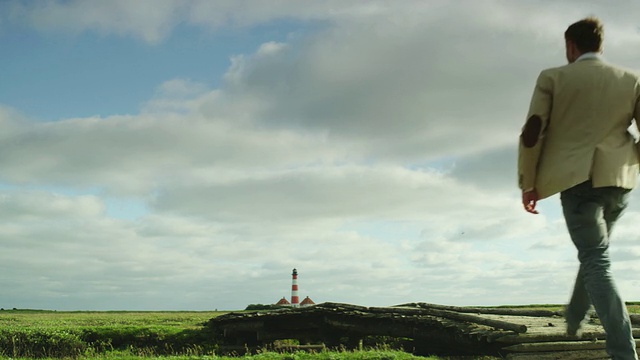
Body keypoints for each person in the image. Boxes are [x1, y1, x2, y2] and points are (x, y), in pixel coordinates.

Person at [518, 17, 640, 359]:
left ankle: (622, 352)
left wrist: (529, 184)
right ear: (599, 44)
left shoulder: (553, 77)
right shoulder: (631, 80)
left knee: (595, 258)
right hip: (619, 181)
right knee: (595, 255)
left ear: (570, 45)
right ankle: (575, 314)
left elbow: (533, 132)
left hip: (576, 181)